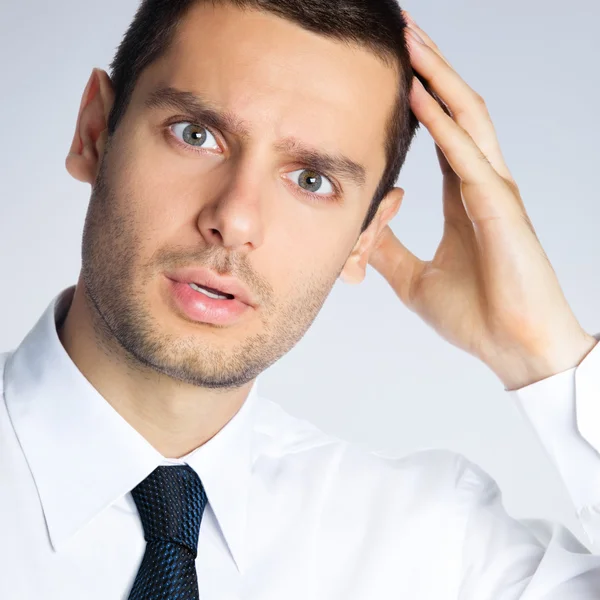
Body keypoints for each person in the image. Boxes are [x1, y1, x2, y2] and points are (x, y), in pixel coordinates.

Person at [2, 0, 600, 598]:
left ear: (365, 236)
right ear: (94, 134)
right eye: (196, 135)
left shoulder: (438, 548)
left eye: (311, 180)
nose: (234, 219)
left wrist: (547, 353)